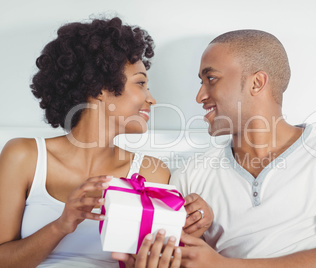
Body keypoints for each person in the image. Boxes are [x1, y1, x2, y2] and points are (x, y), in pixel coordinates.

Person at [0, 17, 212, 268]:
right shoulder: (24, 155)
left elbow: (157, 260)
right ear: (100, 87)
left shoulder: (150, 172)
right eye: (141, 83)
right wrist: (60, 226)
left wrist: (194, 228)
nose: (151, 99)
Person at [170, 30, 316, 267]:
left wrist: (223, 265)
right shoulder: (190, 176)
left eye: (211, 79)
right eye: (201, 81)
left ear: (257, 83)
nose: (200, 96)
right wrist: (193, 239)